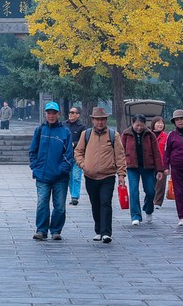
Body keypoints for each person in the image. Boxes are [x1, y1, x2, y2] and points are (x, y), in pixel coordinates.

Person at [73, 107, 127, 243]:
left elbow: (120, 155)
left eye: (102, 119)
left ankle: (106, 232)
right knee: (95, 204)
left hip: (107, 176)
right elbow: (78, 152)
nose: (100, 122)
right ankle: (98, 230)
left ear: (106, 120)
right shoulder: (86, 134)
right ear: (92, 120)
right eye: (97, 119)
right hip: (90, 176)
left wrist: (121, 174)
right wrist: (83, 165)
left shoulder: (113, 135)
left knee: (105, 203)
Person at [28, 101, 73, 241]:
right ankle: (41, 230)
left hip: (60, 177)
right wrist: (36, 166)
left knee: (59, 206)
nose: (51, 116)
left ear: (58, 114)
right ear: (45, 114)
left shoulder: (65, 131)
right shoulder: (40, 130)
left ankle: (56, 230)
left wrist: (61, 170)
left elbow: (69, 155)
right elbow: (32, 151)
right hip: (42, 175)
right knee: (42, 203)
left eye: (54, 113)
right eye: (49, 113)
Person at [120, 114, 163, 226]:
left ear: (145, 124)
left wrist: (159, 170)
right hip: (131, 167)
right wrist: (120, 170)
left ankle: (148, 209)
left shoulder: (150, 135)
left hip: (148, 166)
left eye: (141, 125)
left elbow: (156, 152)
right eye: (137, 125)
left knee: (150, 191)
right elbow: (120, 152)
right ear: (132, 123)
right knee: (133, 191)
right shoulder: (126, 134)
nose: (139, 127)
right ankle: (136, 216)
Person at [65, 107, 86, 206]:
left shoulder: (82, 127)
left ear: (78, 115)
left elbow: (84, 140)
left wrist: (74, 144)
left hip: (77, 155)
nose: (70, 114)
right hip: (66, 156)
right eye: (69, 112)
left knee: (76, 176)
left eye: (73, 112)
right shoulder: (64, 125)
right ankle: (72, 194)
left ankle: (75, 196)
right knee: (69, 177)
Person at [151, 116, 169, 209]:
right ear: (153, 124)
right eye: (158, 123)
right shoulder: (148, 135)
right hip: (150, 163)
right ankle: (151, 199)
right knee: (151, 183)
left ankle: (157, 202)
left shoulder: (166, 136)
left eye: (162, 123)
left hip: (162, 164)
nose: (160, 124)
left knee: (160, 184)